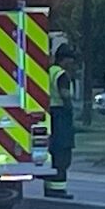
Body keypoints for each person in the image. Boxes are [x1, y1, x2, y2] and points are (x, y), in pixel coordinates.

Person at [44, 44, 78, 199]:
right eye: (71, 60)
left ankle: (50, 186)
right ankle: (58, 189)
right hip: (61, 115)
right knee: (63, 154)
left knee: (54, 151)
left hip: (50, 114)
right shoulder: (61, 75)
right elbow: (65, 95)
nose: (72, 64)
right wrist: (71, 109)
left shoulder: (49, 72)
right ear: (64, 59)